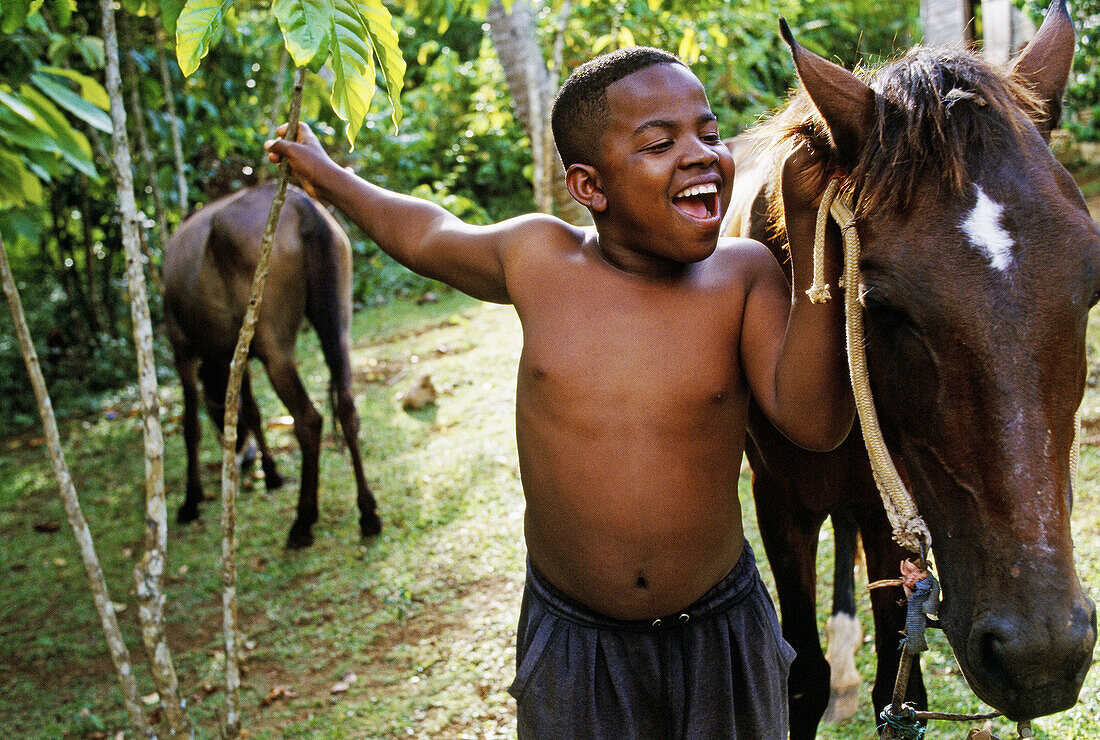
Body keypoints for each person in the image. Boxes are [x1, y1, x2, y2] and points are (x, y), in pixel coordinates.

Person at [266, 45, 852, 739]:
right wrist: (330, 178)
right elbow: (427, 233)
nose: (700, 153)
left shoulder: (743, 277)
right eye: (661, 142)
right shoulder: (537, 258)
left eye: (710, 132)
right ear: (589, 186)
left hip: (719, 626)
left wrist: (814, 224)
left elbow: (815, 424)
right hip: (575, 639)